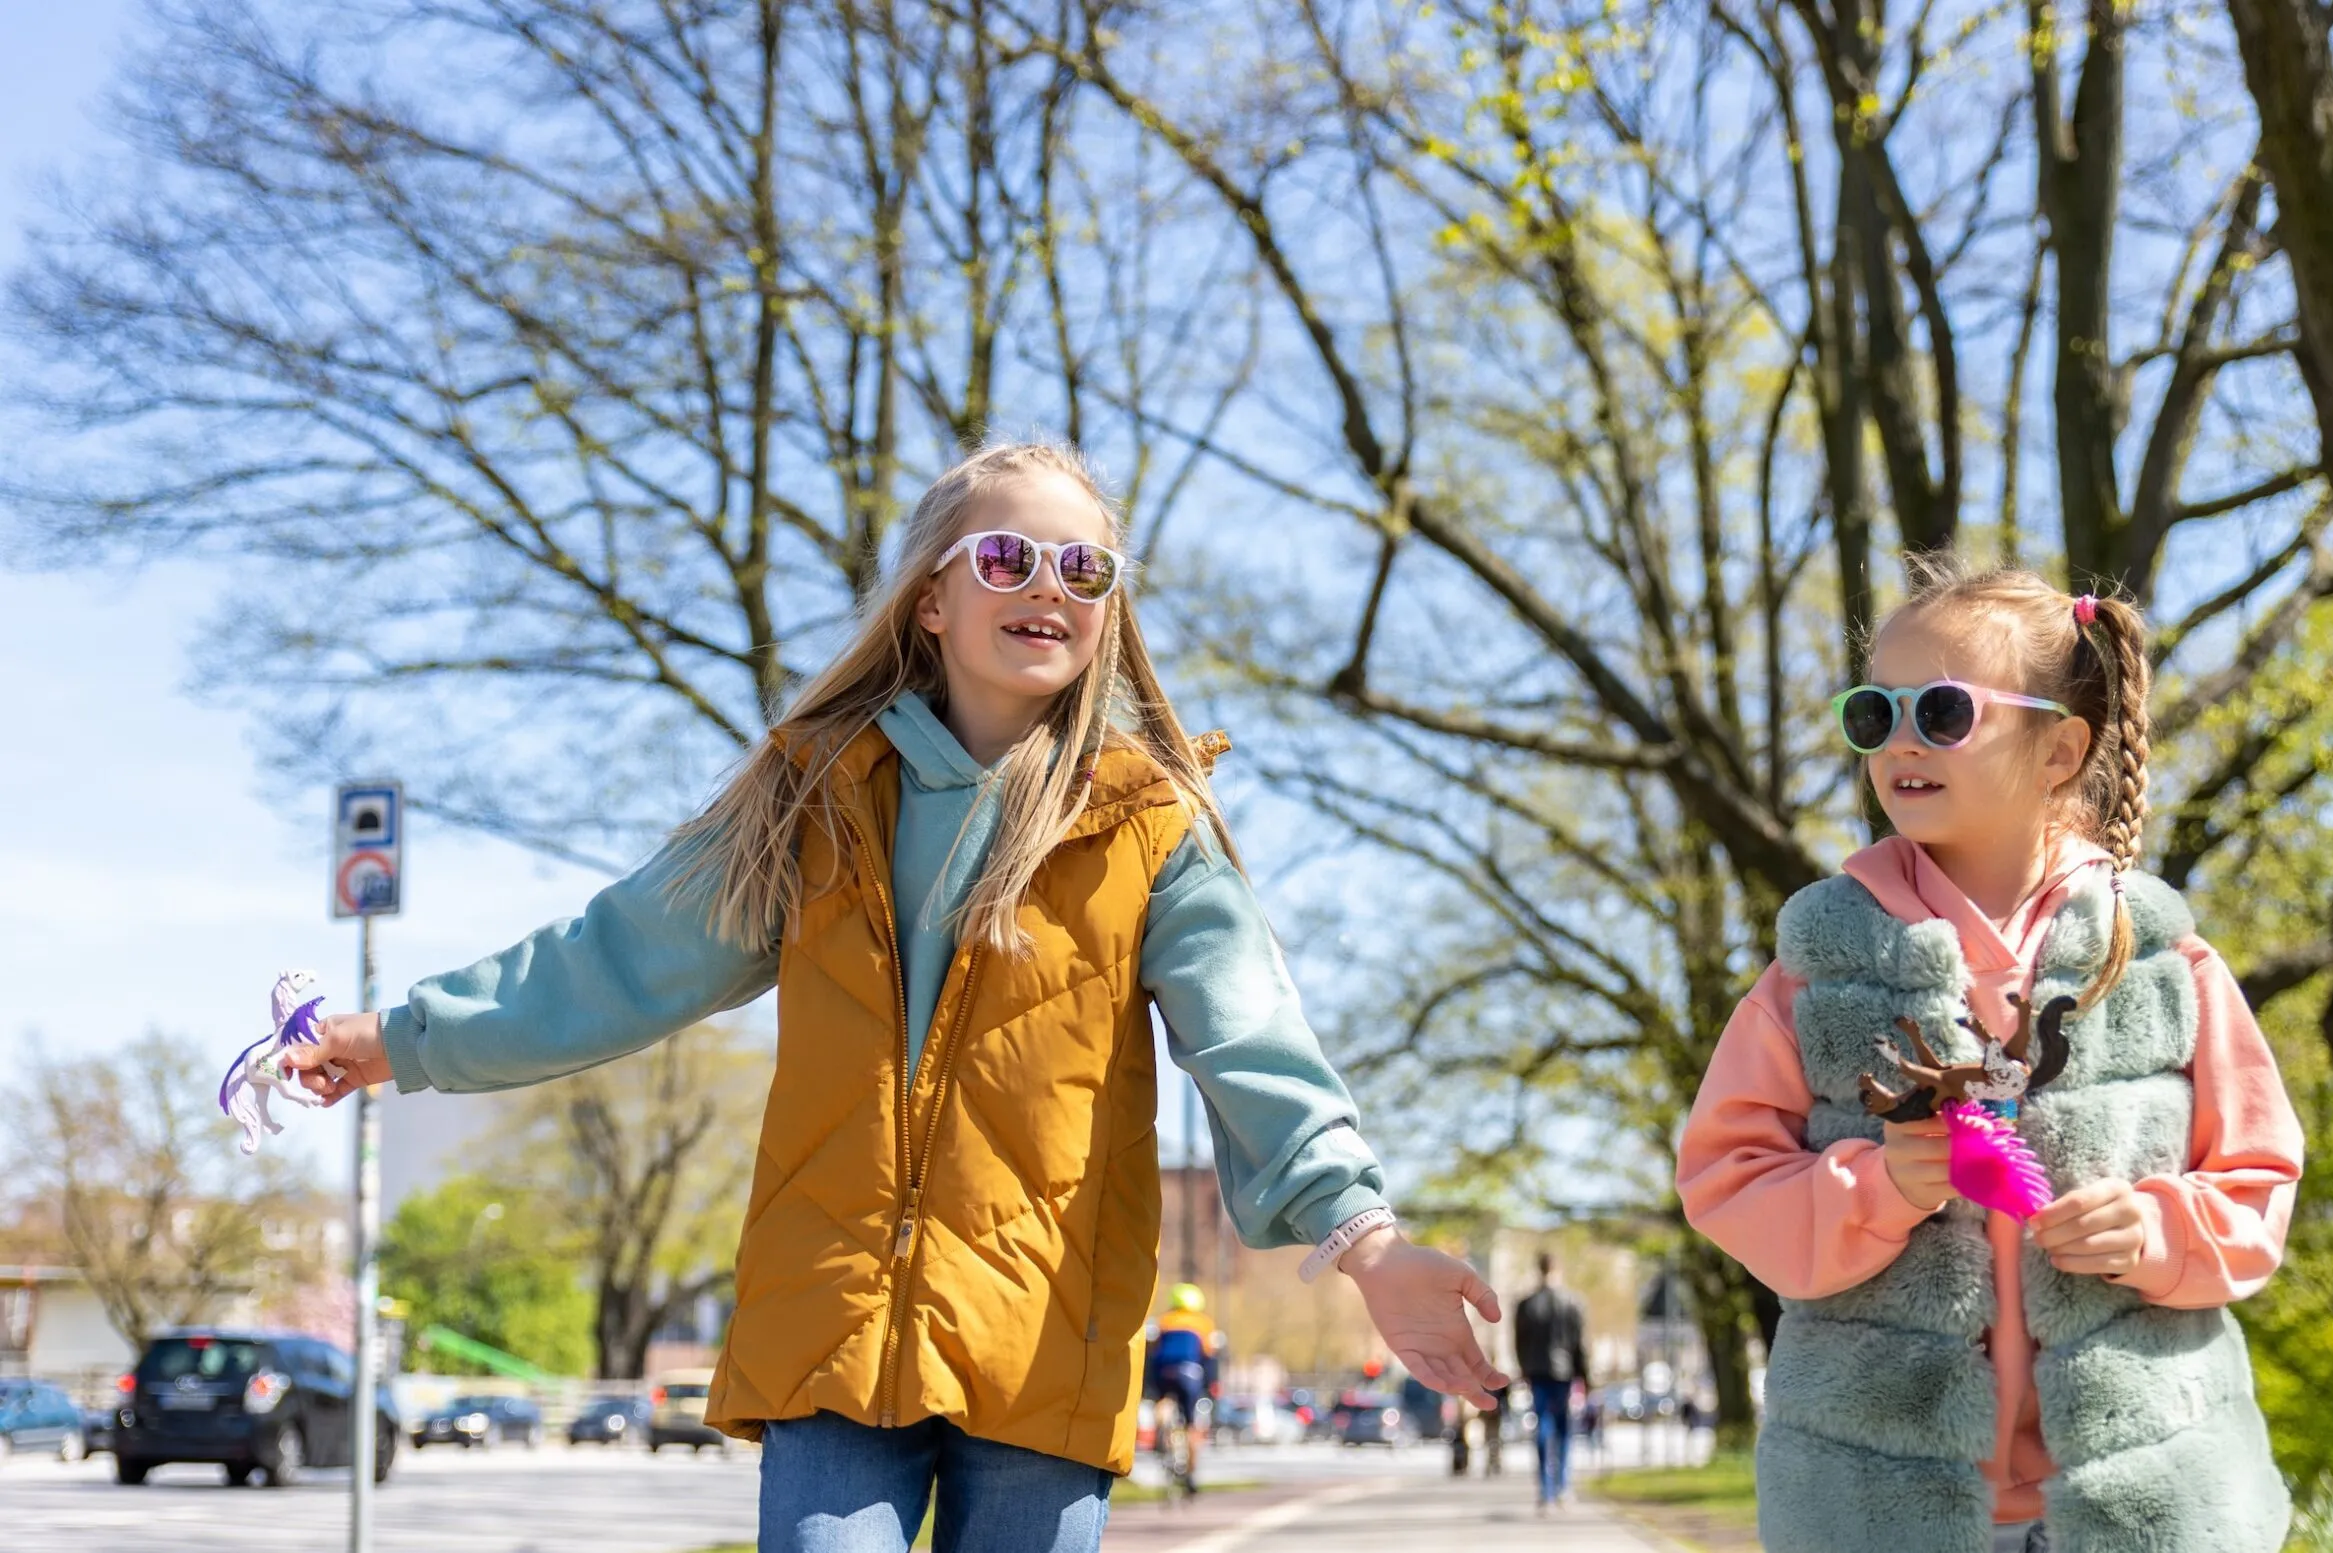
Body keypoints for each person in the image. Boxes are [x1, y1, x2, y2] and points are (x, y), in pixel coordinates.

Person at [283, 441, 1510, 1553]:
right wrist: (402, 1038)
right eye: (1007, 556)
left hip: (1046, 1332)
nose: (1048, 585)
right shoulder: (810, 799)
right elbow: (617, 956)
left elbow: (1254, 1039)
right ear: (931, 597)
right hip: (832, 1319)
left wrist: (1367, 1239)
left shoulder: (1149, 829)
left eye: (1084, 567)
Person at [1676, 566, 2304, 1553]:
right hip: (1879, 1502)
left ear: (2060, 748)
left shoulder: (2156, 956)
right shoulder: (1821, 966)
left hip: (2146, 1494)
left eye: (1941, 711)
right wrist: (1878, 1187)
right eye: (1873, 713)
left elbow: (2256, 1178)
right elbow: (1725, 1177)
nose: (1900, 742)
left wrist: (2156, 1228)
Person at [1512, 1251, 1588, 1513]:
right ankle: (1563, 1486)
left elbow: (1519, 1342)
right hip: (1564, 1373)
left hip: (1537, 1372)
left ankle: (1545, 1489)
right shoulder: (1572, 1302)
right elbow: (1579, 1343)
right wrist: (1585, 1376)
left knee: (1543, 1426)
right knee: (1564, 1428)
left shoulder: (1526, 1304)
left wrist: (1524, 1369)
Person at [1144, 1283, 1215, 1482]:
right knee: (1191, 1425)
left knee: (1163, 1401)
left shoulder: (1164, 1320)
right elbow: (1208, 1356)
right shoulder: (1203, 1323)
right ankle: (1191, 1475)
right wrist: (1210, 1384)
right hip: (1189, 1375)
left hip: (1163, 1372)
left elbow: (1153, 1350)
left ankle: (1161, 1432)